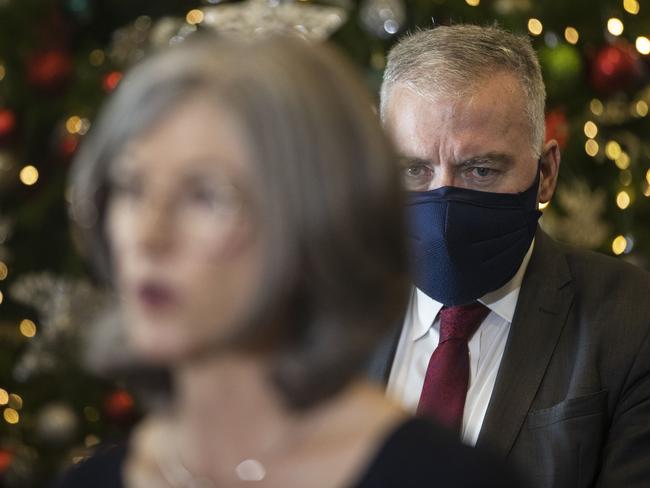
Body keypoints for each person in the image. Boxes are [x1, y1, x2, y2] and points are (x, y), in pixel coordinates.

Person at [56, 35, 522, 487]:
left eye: (205, 196)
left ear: (313, 220)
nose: (148, 236)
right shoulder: (90, 482)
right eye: (131, 188)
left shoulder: (448, 478)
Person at [369, 23, 650, 488]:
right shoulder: (323, 314)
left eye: (480, 170)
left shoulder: (633, 321)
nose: (444, 204)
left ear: (545, 173)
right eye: (414, 169)